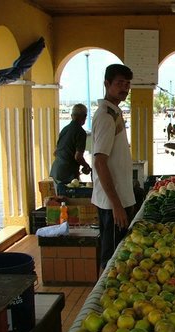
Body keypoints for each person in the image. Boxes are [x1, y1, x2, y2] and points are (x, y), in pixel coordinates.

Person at [91, 64, 136, 271]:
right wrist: (117, 205)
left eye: (127, 84)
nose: (124, 88)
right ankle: (103, 300)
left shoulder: (114, 112)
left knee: (118, 253)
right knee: (112, 257)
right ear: (107, 84)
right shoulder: (106, 116)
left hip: (118, 197)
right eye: (119, 83)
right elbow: (99, 160)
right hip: (112, 202)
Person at [49, 103, 91, 195]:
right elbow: (78, 156)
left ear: (72, 116)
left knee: (60, 200)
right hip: (67, 173)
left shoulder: (65, 129)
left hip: (56, 170)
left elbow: (55, 152)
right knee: (70, 200)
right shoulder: (80, 132)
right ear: (84, 117)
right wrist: (86, 166)